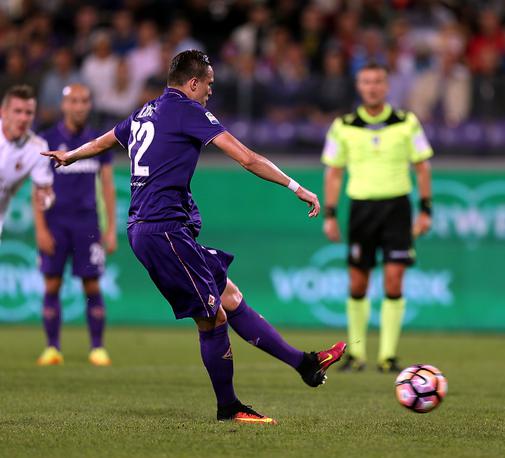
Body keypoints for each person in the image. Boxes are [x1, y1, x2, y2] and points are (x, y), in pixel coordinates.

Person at [42, 50, 346, 425]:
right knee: (212, 319)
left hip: (159, 229)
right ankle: (229, 407)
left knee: (230, 297)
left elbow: (108, 139)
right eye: (209, 85)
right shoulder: (188, 110)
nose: (210, 93)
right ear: (193, 83)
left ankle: (305, 364)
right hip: (163, 231)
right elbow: (247, 157)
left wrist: (72, 155)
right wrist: (295, 185)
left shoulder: (146, 111)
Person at [321, 62, 433, 373]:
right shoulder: (342, 125)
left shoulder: (407, 122)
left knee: (394, 279)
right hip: (361, 208)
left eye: (378, 82)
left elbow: (422, 167)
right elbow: (334, 173)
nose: (372, 87)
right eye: (366, 82)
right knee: (358, 282)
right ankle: (357, 355)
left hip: (397, 208)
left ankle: (388, 356)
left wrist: (425, 209)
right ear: (359, 86)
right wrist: (330, 214)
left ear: (386, 87)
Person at [35, 84, 117, 367]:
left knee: (92, 284)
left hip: (87, 223)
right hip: (56, 222)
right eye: (74, 101)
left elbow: (107, 186)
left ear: (90, 105)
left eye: (84, 101)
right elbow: (38, 189)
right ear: (64, 105)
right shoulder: (46, 140)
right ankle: (52, 348)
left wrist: (110, 229)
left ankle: (97, 347)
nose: (80, 106)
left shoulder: (99, 141)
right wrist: (41, 229)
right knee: (52, 283)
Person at [0, 85, 54, 240]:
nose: (23, 118)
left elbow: (44, 190)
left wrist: (46, 199)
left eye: (28, 113)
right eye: (17, 111)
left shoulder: (37, 148)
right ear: (3, 113)